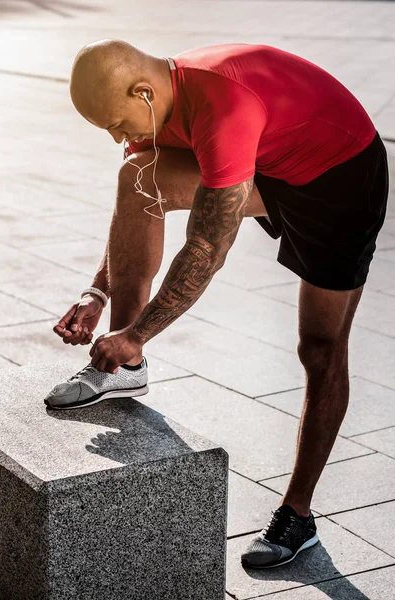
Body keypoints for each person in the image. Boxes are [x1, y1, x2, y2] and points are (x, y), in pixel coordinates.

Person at [44, 39, 389, 569]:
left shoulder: (222, 106)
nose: (117, 135)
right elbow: (134, 211)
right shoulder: (155, 108)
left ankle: (297, 516)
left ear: (143, 91)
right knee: (137, 178)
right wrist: (98, 290)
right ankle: (122, 367)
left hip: (338, 179)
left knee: (319, 347)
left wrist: (141, 329)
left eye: (116, 122)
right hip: (271, 161)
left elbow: (207, 247)